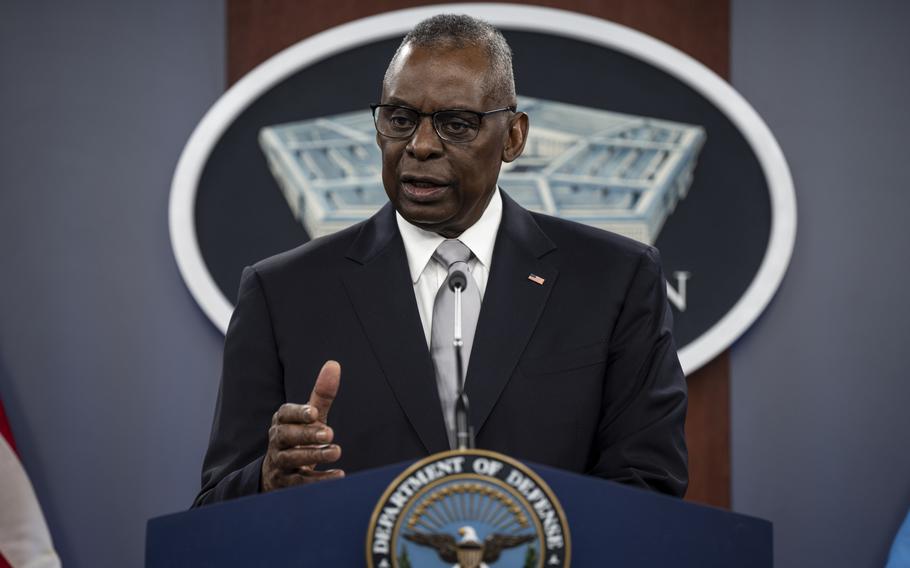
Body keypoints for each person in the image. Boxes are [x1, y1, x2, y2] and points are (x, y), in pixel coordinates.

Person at [194, 14, 687, 506]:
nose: (420, 146)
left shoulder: (615, 280)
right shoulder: (282, 293)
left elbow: (648, 487)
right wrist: (267, 479)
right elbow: (213, 509)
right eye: (400, 119)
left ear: (513, 138)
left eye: (456, 124)